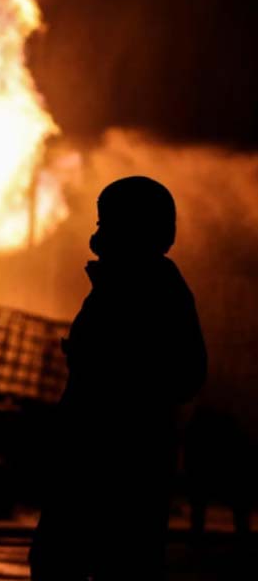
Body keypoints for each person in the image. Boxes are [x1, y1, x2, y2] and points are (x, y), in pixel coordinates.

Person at [29, 176, 207, 580]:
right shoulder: (123, 286)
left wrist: (113, 374)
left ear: (132, 227)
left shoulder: (150, 289)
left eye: (105, 222)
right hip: (106, 472)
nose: (97, 234)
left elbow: (185, 374)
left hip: (117, 477)